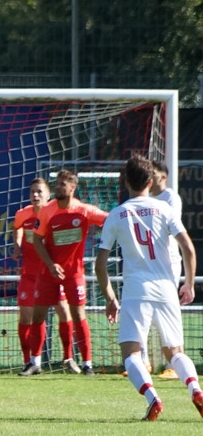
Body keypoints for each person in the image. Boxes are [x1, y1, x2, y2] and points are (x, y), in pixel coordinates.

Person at [94, 154, 203, 421]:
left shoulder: (117, 214)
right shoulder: (165, 209)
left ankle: (153, 398)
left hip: (136, 290)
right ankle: (196, 390)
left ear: (126, 182)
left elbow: (100, 264)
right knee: (175, 352)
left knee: (131, 354)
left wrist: (110, 298)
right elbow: (188, 248)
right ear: (151, 180)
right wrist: (188, 284)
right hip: (167, 288)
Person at [32, 169, 108, 376]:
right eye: (56, 184)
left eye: (62, 185)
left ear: (72, 188)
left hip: (74, 273)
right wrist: (50, 264)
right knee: (38, 314)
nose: (58, 187)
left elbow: (108, 220)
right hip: (49, 271)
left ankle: (87, 364)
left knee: (78, 315)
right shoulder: (47, 210)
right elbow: (36, 239)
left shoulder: (83, 211)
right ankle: (34, 363)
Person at [13, 177, 80, 376]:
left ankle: (68, 358)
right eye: (32, 191)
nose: (35, 195)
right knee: (27, 317)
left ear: (48, 195)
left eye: (40, 192)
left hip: (51, 274)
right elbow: (16, 227)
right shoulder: (22, 214)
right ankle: (30, 362)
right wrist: (17, 245)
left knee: (64, 313)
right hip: (30, 275)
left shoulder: (53, 214)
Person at [147, 159, 182, 380]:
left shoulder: (171, 198)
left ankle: (174, 362)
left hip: (169, 262)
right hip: (150, 263)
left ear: (163, 176)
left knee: (168, 311)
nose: (150, 176)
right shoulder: (147, 199)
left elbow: (170, 228)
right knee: (146, 311)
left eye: (153, 172)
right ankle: (144, 361)